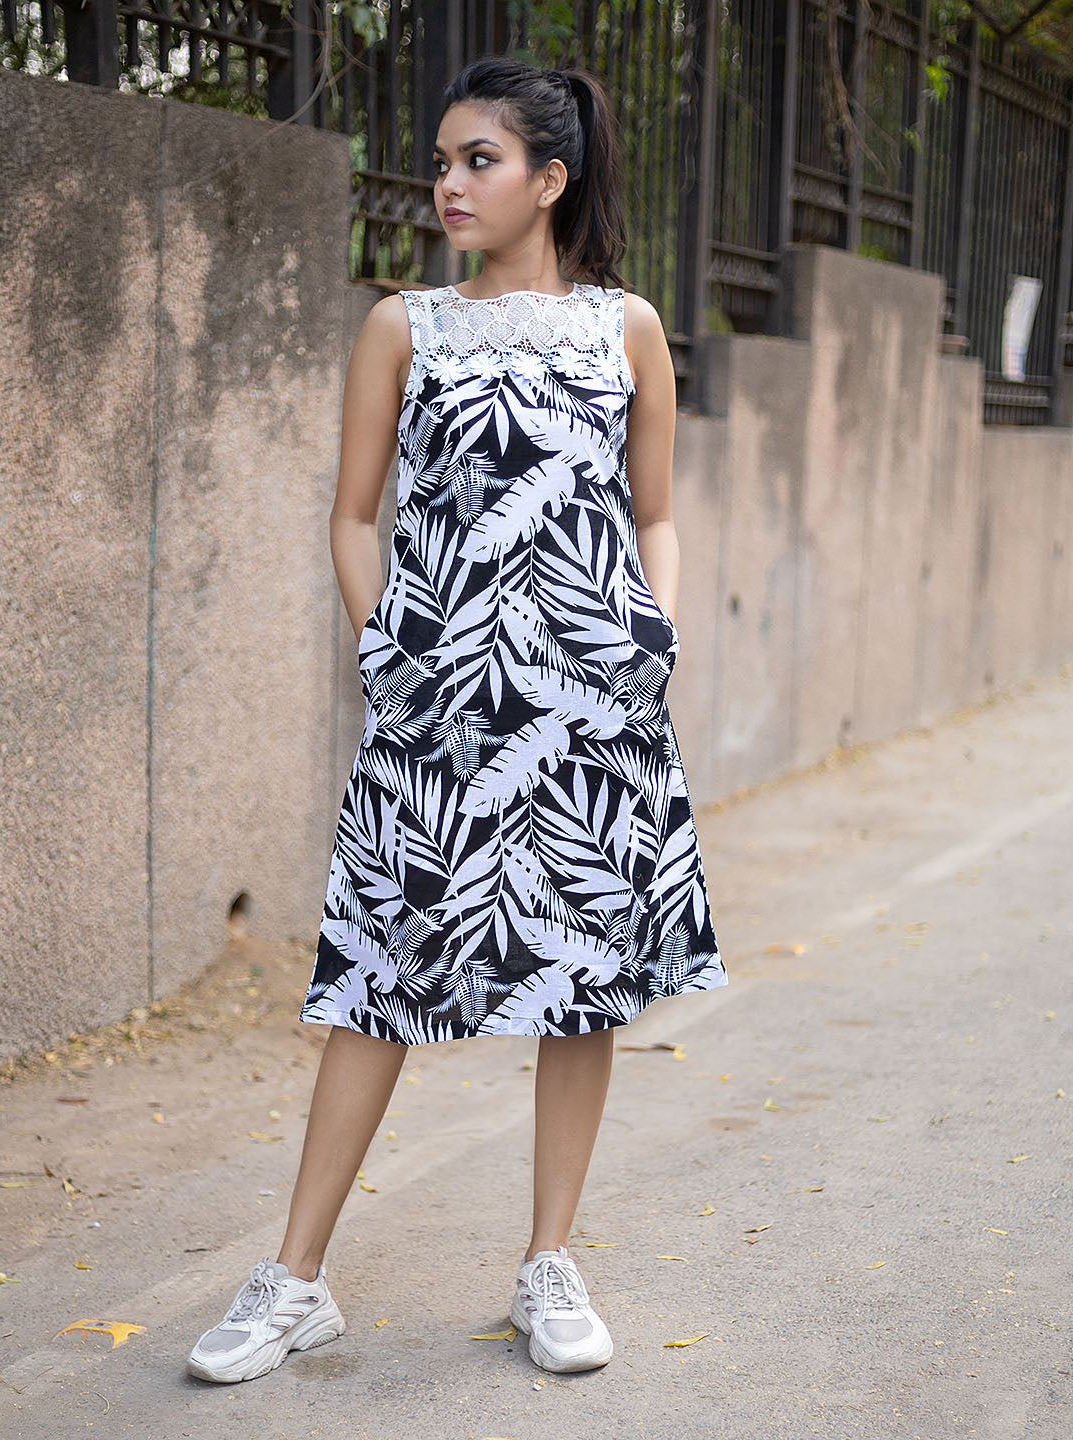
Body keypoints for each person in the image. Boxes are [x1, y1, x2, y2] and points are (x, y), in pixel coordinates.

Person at [187, 54, 726, 1386]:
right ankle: (295, 1279)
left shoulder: (627, 329)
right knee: (376, 976)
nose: (445, 183)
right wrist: (390, 651)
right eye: (440, 160)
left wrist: (655, 632)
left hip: (594, 705)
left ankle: (549, 1262)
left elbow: (653, 508)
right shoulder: (403, 327)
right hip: (434, 705)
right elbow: (353, 515)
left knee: (580, 981)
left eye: (476, 160)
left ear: (552, 178)